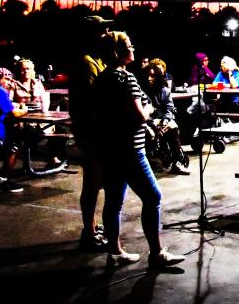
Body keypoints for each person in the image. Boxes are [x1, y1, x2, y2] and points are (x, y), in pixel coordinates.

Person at [92, 31, 184, 268]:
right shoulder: (126, 78)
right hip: (130, 149)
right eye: (129, 45)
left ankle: (115, 252)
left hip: (108, 148)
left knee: (113, 202)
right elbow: (139, 115)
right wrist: (149, 111)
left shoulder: (102, 79)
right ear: (118, 51)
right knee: (153, 197)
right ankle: (156, 253)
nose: (133, 48)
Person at [69, 14, 112, 250]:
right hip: (91, 131)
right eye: (101, 31)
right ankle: (89, 230)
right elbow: (93, 99)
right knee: (92, 182)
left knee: (97, 182)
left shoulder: (97, 60)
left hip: (96, 130)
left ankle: (93, 227)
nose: (106, 35)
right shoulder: (86, 63)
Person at [142, 62, 190, 175]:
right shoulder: (141, 91)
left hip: (161, 120)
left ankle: (177, 162)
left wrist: (165, 122)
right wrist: (155, 127)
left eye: (152, 76)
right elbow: (142, 113)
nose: (149, 79)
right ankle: (152, 162)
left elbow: (169, 109)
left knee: (173, 127)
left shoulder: (164, 90)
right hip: (147, 121)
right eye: (147, 76)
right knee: (148, 133)